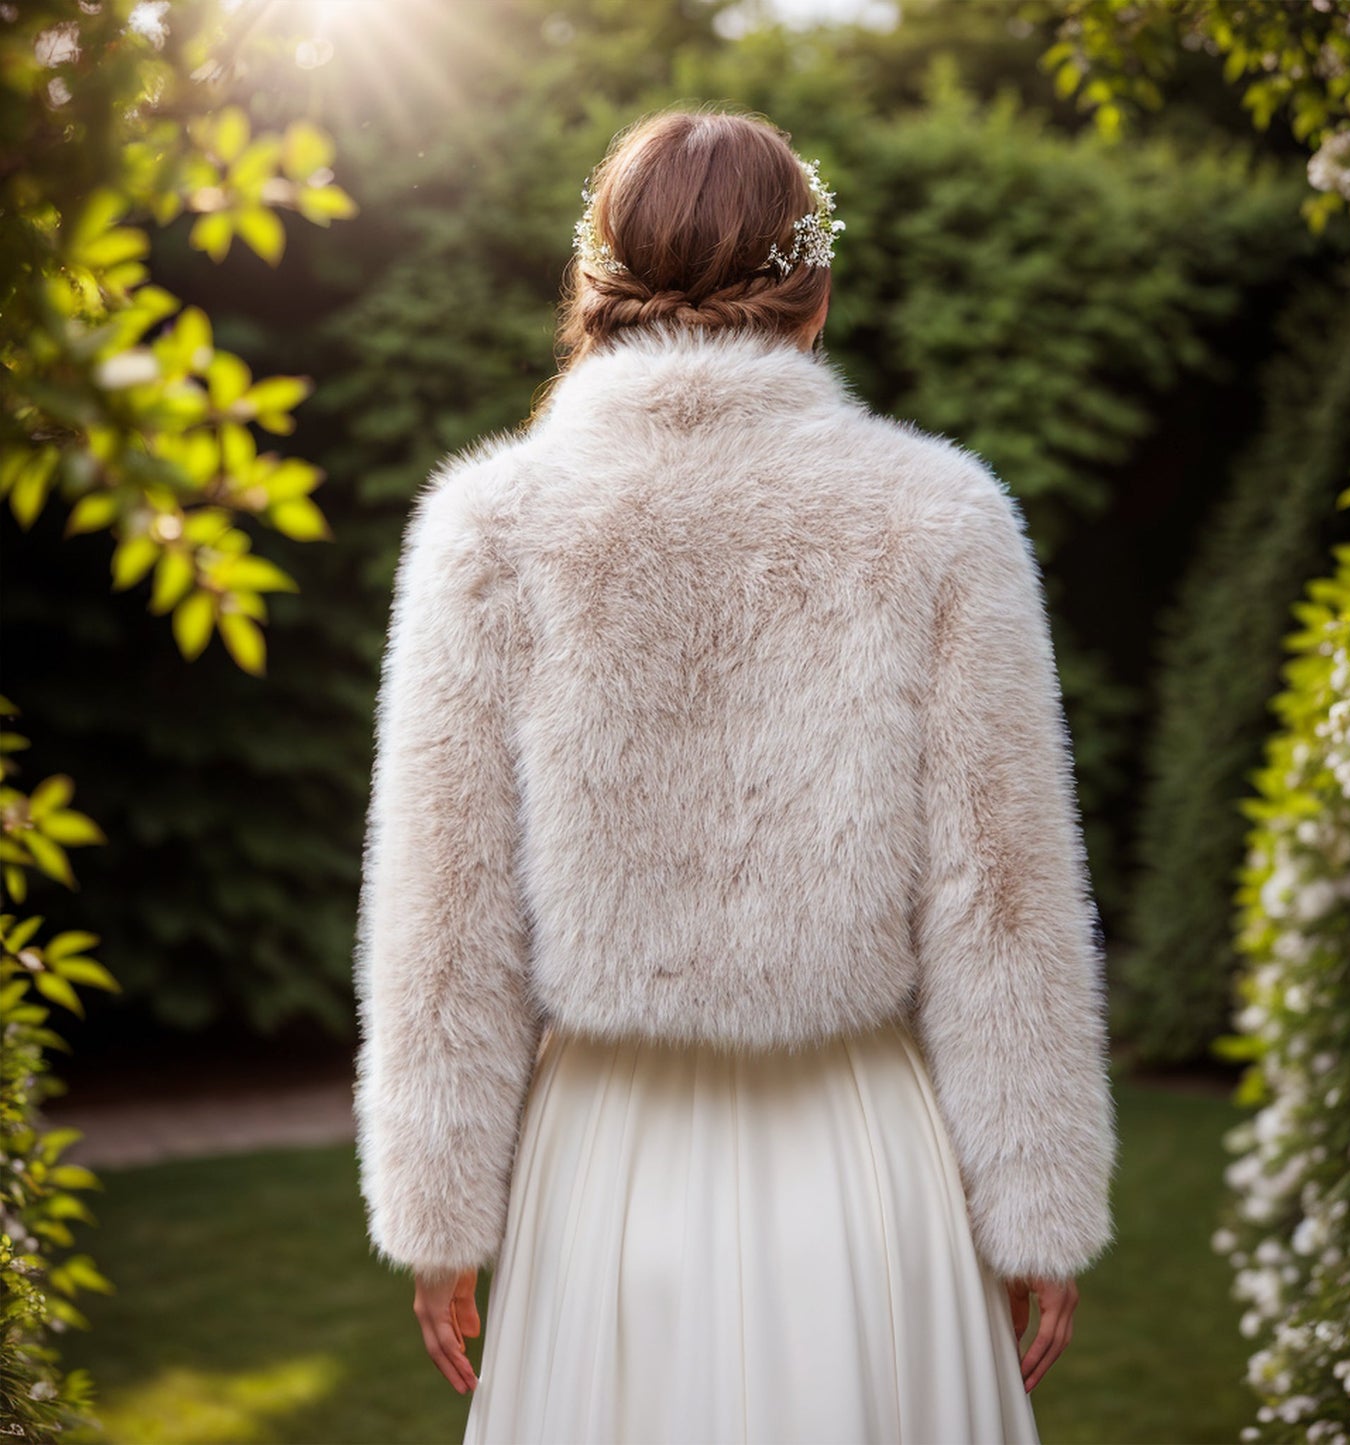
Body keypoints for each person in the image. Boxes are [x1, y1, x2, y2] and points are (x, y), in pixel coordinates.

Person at [352, 106, 1119, 1445]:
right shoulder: (939, 516)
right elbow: (999, 896)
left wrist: (440, 1210)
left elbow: (446, 909)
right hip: (864, 1161)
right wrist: (1036, 1204)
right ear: (813, 293)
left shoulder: (491, 525)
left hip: (603, 1170)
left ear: (594, 283)